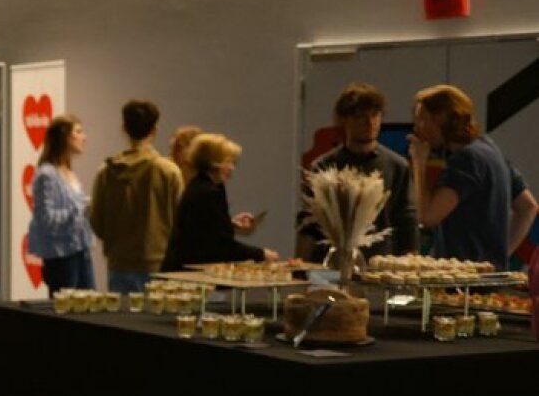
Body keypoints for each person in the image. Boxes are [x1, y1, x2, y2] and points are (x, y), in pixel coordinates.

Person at [409, 84, 538, 271]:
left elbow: (428, 217)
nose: (416, 128)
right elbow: (528, 207)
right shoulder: (490, 149)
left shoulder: (465, 160)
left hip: (461, 280)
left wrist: (419, 161)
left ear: (440, 119)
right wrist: (498, 257)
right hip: (485, 276)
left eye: (421, 119)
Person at [298, 83, 418, 261]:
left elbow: (406, 219)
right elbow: (309, 222)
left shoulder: (397, 166)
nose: (369, 123)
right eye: (360, 116)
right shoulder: (324, 166)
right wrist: (300, 266)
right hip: (329, 262)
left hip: (379, 263)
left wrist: (410, 263)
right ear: (344, 120)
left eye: (375, 115)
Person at [89, 99, 183, 292]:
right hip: (159, 264)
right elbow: (182, 221)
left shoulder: (106, 172)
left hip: (118, 263)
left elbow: (96, 221)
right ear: (154, 130)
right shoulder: (169, 171)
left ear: (124, 128)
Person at [162, 133, 279, 269]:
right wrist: (262, 254)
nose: (232, 168)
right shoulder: (207, 192)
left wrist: (229, 224)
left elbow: (205, 229)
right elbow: (221, 246)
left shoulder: (204, 186)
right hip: (185, 271)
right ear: (213, 163)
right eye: (227, 162)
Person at [28, 115, 95, 293]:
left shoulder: (69, 172)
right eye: (78, 132)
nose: (84, 137)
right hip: (61, 257)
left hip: (81, 250)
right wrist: (81, 208)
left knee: (88, 304)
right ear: (65, 136)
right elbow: (46, 219)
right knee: (66, 305)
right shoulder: (47, 175)